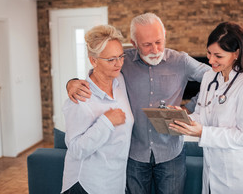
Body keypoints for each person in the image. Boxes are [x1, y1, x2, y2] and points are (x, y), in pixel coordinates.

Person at [66, 13, 211, 194]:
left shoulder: (180, 61)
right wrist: (71, 82)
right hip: (134, 154)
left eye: (159, 42)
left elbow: (214, 78)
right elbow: (99, 71)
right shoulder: (122, 61)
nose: (155, 49)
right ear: (134, 44)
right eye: (147, 45)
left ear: (164, 35)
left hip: (171, 153)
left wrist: (189, 108)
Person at [169, 22, 243, 194]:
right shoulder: (210, 77)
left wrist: (203, 133)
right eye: (209, 53)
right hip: (213, 169)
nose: (210, 60)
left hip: (239, 174)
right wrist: (186, 118)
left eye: (218, 56)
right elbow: (202, 114)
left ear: (236, 54)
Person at [61, 25, 134, 194]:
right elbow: (75, 149)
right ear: (93, 60)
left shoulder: (119, 81)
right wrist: (106, 122)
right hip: (86, 184)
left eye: (121, 56)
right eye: (111, 59)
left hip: (114, 183)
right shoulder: (80, 98)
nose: (119, 63)